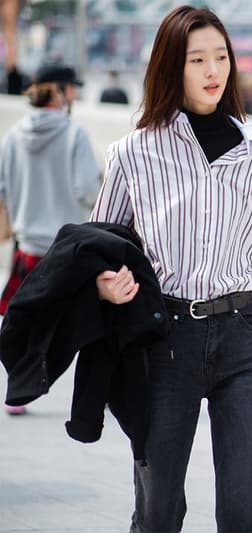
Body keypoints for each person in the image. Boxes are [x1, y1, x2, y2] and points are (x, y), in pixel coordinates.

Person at [89, 6, 252, 532]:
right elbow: (100, 247)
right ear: (170, 67)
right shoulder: (134, 151)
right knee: (159, 506)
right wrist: (107, 286)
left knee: (243, 506)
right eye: (196, 58)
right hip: (165, 340)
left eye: (221, 57)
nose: (213, 71)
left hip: (243, 338)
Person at [0, 61, 101, 415]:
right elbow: (89, 190)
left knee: (24, 325)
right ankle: (93, 398)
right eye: (71, 88)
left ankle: (18, 393)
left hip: (27, 248)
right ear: (59, 91)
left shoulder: (11, 136)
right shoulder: (74, 135)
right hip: (67, 250)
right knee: (93, 324)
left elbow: (2, 188)